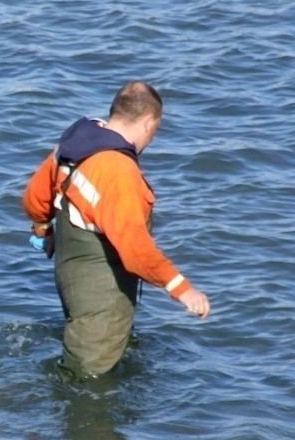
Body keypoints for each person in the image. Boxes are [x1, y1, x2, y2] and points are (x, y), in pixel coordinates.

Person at [22, 80, 210, 378]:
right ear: (149, 123)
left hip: (68, 270)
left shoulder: (78, 142)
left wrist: (43, 229)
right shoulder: (118, 172)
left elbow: (36, 194)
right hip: (101, 288)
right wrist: (182, 290)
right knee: (87, 377)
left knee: (83, 347)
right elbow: (135, 248)